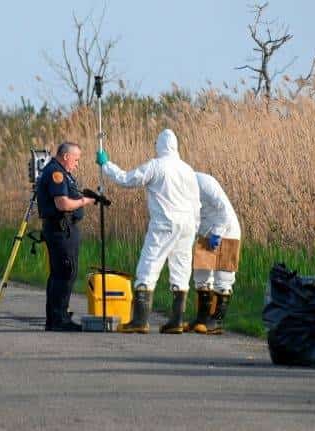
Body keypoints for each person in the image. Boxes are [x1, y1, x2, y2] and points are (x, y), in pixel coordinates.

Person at [96, 129, 201, 334]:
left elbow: (128, 179)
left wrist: (106, 165)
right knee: (181, 270)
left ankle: (140, 321)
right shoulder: (188, 169)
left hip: (164, 224)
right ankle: (177, 321)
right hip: (187, 225)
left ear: (159, 145)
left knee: (148, 266)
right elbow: (196, 203)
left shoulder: (156, 165)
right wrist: (195, 227)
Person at [37, 142, 95, 332]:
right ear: (66, 156)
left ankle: (57, 316)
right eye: (76, 159)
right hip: (60, 229)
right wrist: (83, 201)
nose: (77, 164)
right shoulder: (57, 173)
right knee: (65, 272)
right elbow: (62, 204)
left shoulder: (63, 173)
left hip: (65, 229)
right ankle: (58, 319)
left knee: (61, 273)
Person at [185, 172, 242, 334]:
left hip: (227, 231)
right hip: (205, 233)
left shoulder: (205, 182)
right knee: (201, 276)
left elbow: (223, 209)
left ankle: (216, 321)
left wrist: (217, 232)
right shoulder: (180, 186)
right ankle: (201, 319)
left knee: (223, 278)